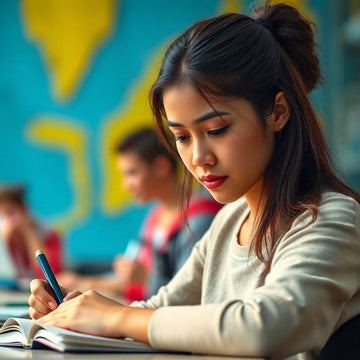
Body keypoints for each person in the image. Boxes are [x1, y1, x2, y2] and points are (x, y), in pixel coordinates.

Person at [28, 2, 360, 359]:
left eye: (216, 129)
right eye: (182, 137)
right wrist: (79, 313)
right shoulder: (230, 221)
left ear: (278, 112)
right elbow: (162, 308)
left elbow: (267, 328)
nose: (198, 158)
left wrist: (116, 316)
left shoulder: (332, 218)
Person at [58, 128, 222, 302]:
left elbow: (186, 294)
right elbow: (133, 283)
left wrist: (146, 278)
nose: (125, 185)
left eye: (132, 173)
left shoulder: (200, 220)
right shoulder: (155, 216)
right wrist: (82, 283)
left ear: (161, 167)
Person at [0, 185, 63, 282]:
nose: (7, 221)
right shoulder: (4, 235)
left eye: (10, 213)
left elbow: (51, 275)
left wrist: (30, 234)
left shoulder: (49, 234)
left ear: (24, 210)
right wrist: (4, 243)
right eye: (1, 216)